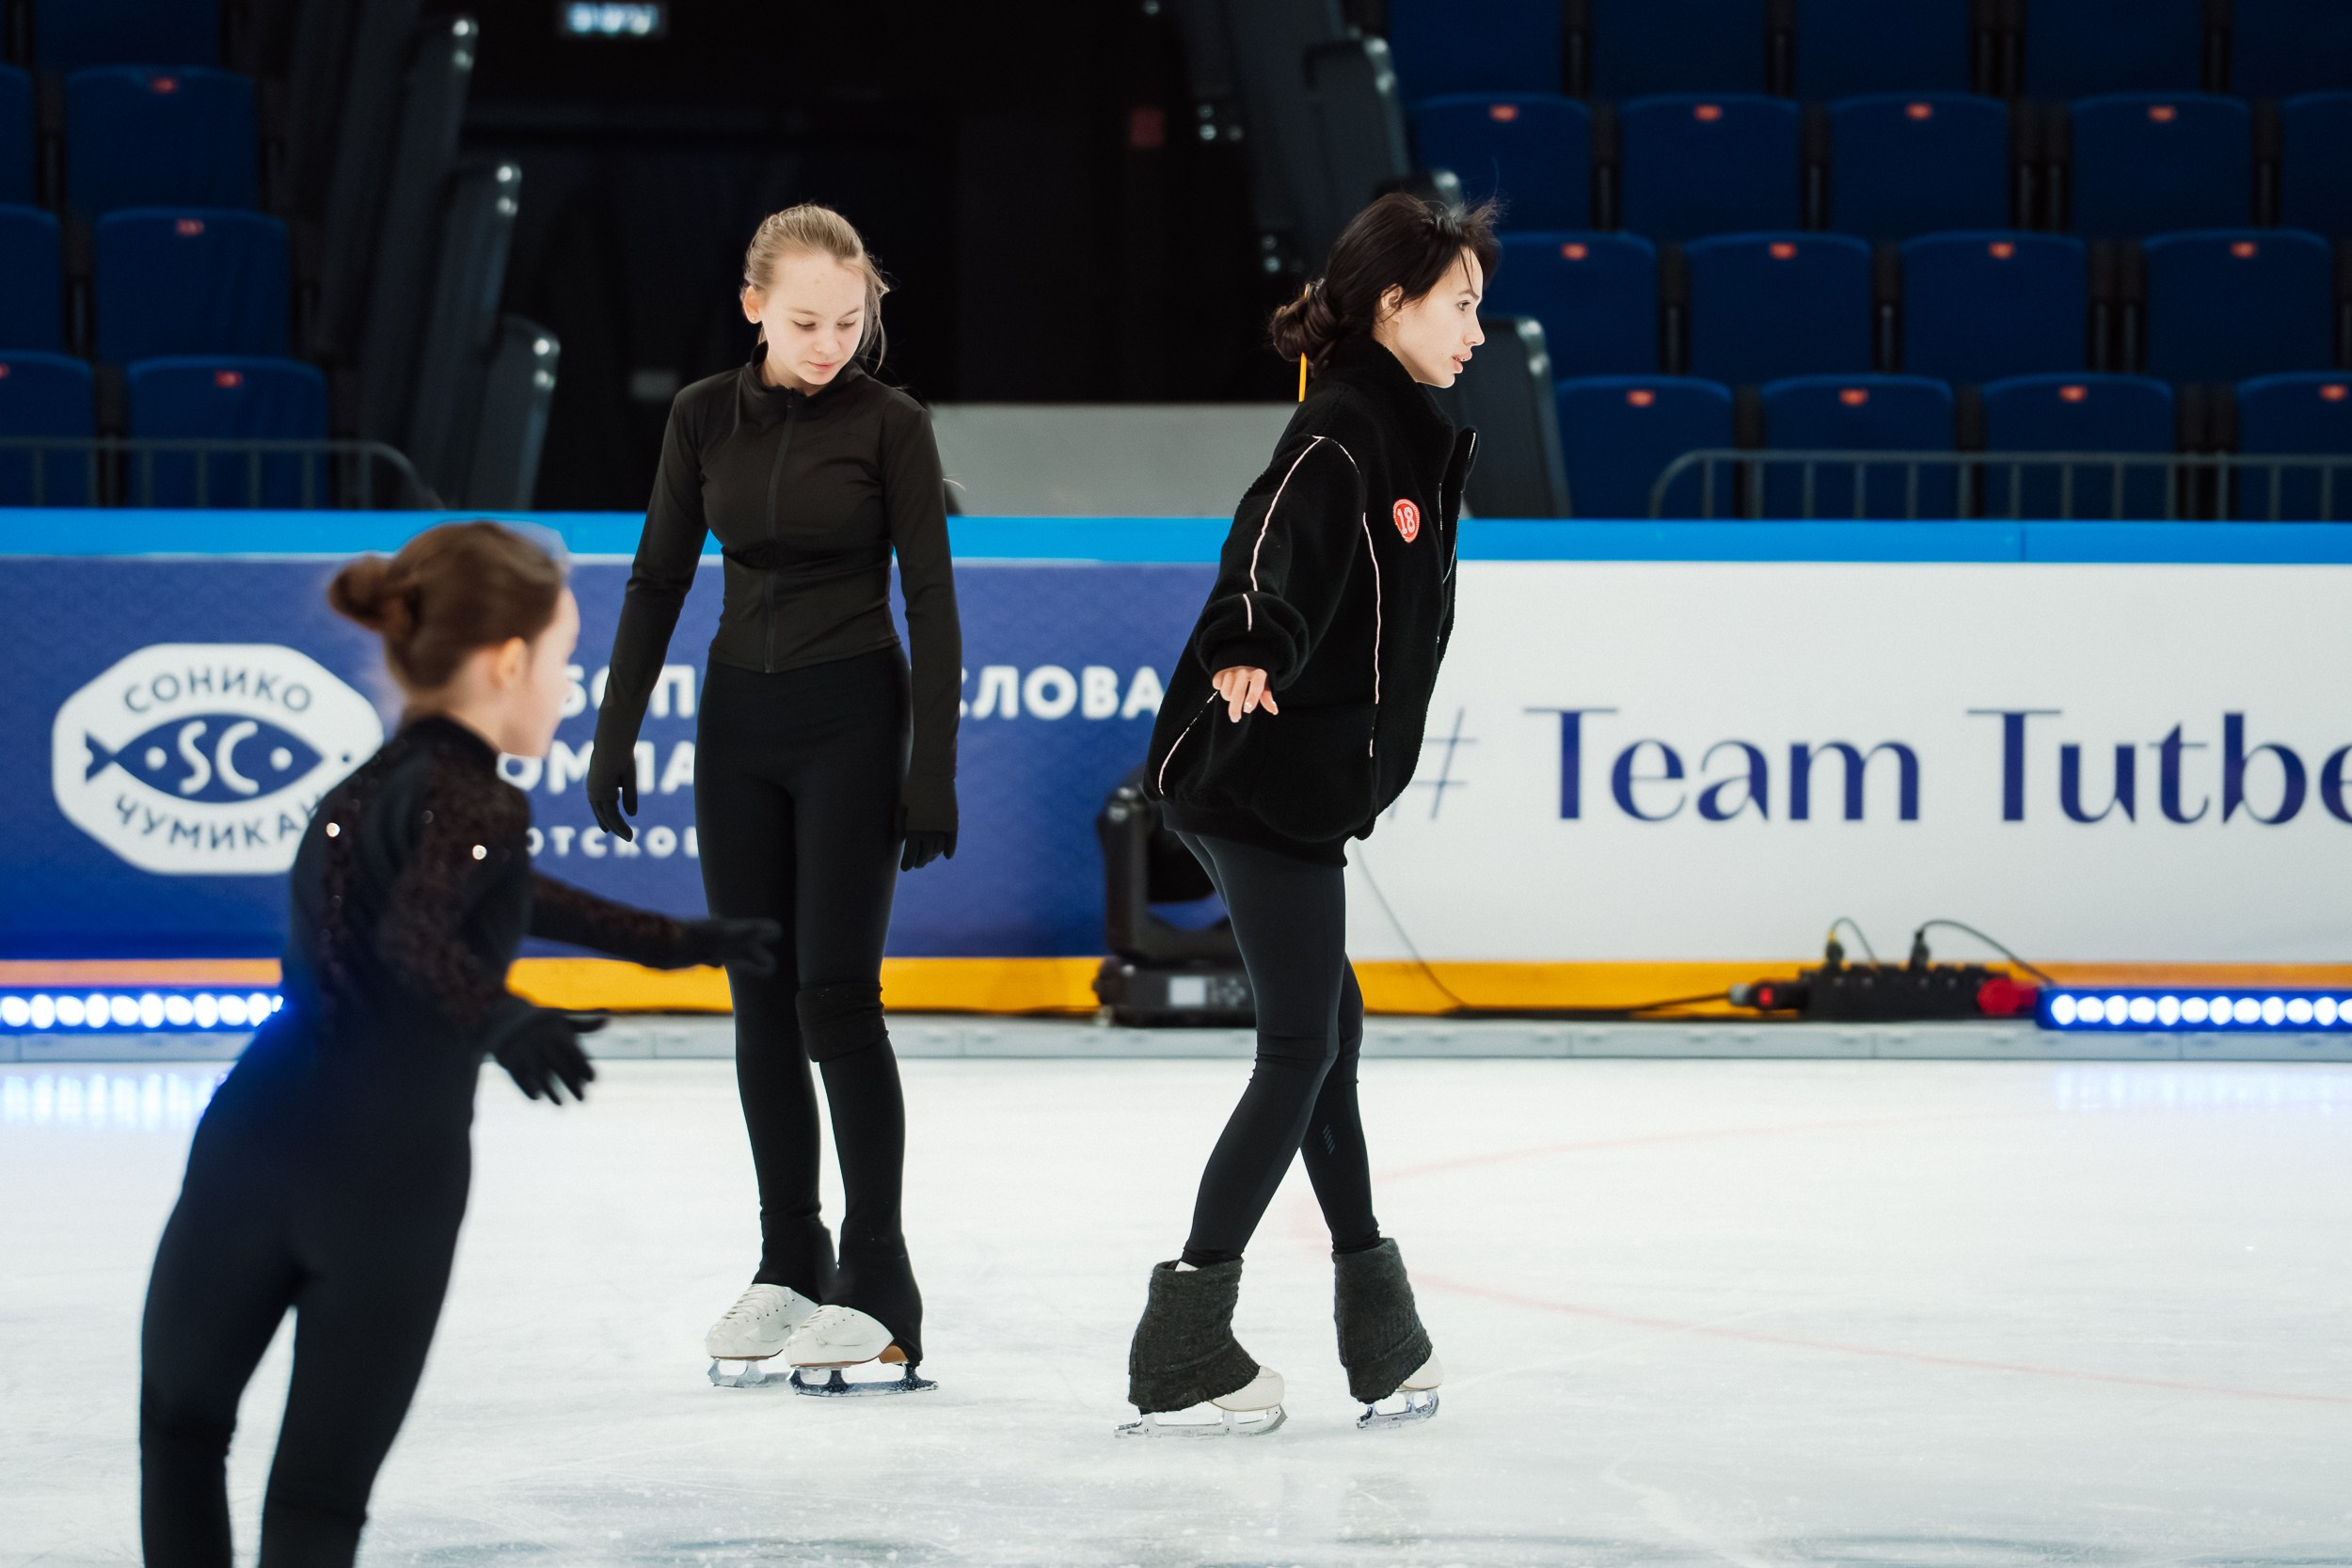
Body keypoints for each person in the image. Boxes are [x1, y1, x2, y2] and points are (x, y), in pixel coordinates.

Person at [139, 521, 779, 1566]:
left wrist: (678, 942)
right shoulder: (477, 796)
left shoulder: (366, 789)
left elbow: (485, 891)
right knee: (313, 1499)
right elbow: (420, 930)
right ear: (509, 659)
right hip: (385, 1164)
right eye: (567, 659)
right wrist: (506, 1017)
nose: (568, 688)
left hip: (250, 1141)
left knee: (180, 1431)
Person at [1123, 193, 1494, 1436]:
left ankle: (1377, 1329)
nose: (1475, 331)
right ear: (1393, 304)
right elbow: (1271, 543)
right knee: (1301, 1045)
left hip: (1288, 781)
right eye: (1459, 305)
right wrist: (1247, 640)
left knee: (1329, 1025)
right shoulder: (1345, 427)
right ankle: (1183, 1343)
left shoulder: (1397, 429)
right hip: (1257, 777)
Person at [585, 203, 960, 1392]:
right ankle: (788, 1260)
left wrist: (931, 764)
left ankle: (882, 1280)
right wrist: (614, 728)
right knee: (759, 994)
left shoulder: (893, 423)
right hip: (737, 720)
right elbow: (656, 577)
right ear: (753, 306)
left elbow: (934, 604)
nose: (828, 341)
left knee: (836, 1000)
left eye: (849, 321)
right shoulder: (701, 417)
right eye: (804, 320)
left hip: (854, 715)